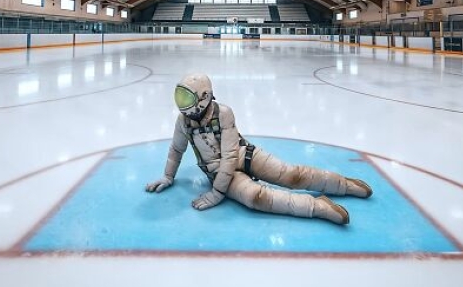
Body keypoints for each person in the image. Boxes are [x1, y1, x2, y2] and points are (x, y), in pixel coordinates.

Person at [145, 73, 373, 225]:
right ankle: (317, 206)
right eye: (180, 97)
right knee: (256, 197)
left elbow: (230, 155)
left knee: (291, 174)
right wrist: (167, 176)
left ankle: (344, 185)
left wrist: (217, 193)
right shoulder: (182, 122)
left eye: (187, 97)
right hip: (219, 172)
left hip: (244, 156)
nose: (182, 104)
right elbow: (176, 149)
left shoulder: (223, 113)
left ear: (204, 97)